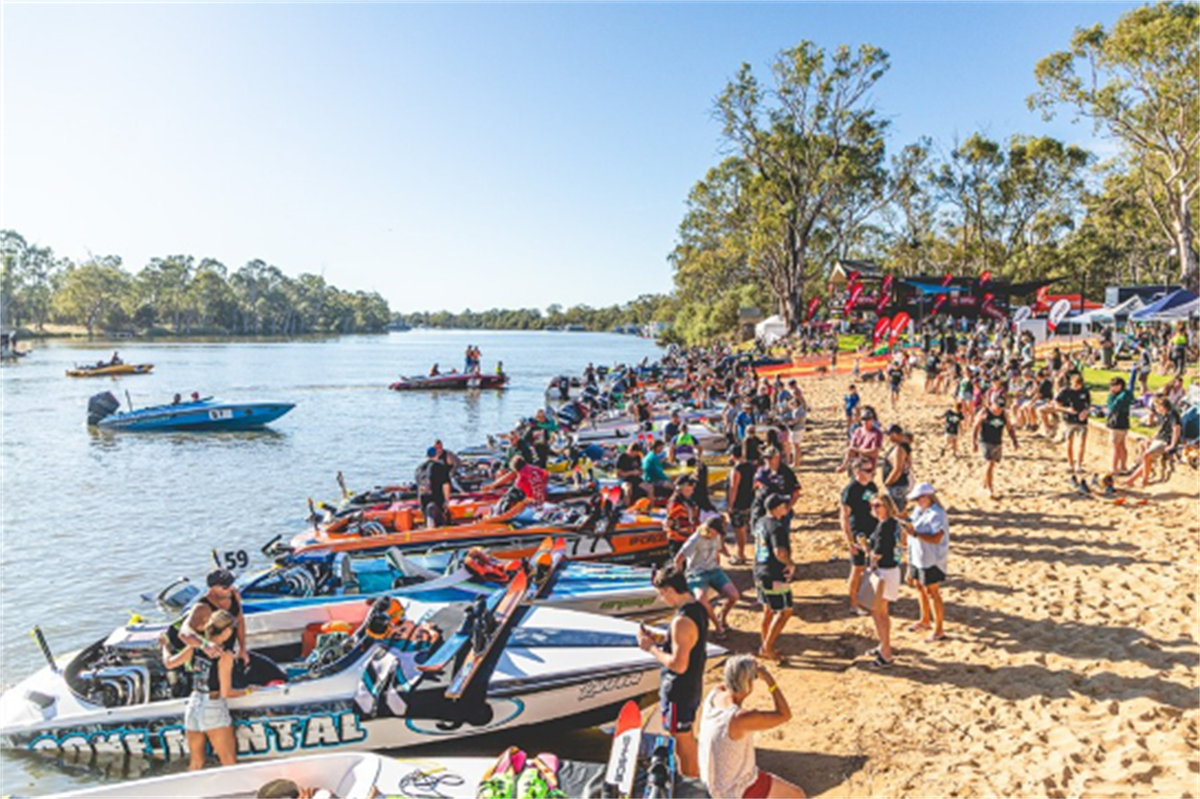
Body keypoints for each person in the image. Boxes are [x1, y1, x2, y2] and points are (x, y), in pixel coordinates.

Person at [697, 655, 806, 799]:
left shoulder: (714, 695)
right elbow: (784, 715)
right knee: (796, 795)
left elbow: (728, 686)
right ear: (748, 683)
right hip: (736, 789)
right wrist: (769, 680)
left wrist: (742, 665)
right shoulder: (741, 719)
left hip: (712, 783)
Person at [637, 565, 707, 779]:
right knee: (686, 738)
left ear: (669, 589)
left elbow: (678, 664)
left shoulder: (681, 622)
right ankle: (691, 777)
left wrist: (650, 648)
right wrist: (661, 639)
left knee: (682, 741)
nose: (661, 599)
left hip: (679, 690)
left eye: (661, 593)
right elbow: (688, 644)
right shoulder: (698, 607)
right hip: (691, 686)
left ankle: (690, 783)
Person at [183, 609, 246, 771]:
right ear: (226, 631)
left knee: (196, 763)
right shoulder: (225, 655)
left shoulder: (197, 647)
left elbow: (169, 663)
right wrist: (248, 691)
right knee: (229, 763)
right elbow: (226, 693)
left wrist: (165, 647)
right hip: (213, 706)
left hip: (193, 704)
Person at [675, 516, 739, 636]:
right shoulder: (695, 539)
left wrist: (730, 556)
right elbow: (678, 559)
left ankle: (722, 617)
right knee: (701, 599)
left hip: (714, 570)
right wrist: (679, 578)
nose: (717, 535)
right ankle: (718, 626)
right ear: (709, 529)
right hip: (696, 573)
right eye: (716, 532)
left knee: (734, 595)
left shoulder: (718, 536)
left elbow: (720, 550)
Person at [857, 493, 901, 668]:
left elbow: (878, 553)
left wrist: (866, 550)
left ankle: (886, 653)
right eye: (873, 505)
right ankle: (884, 645)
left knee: (879, 613)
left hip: (884, 572)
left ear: (887, 507)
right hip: (889, 571)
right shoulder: (888, 524)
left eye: (878, 505)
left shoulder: (885, 526)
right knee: (881, 612)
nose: (874, 509)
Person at [180, 569, 249, 677]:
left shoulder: (234, 594)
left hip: (228, 654)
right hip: (209, 659)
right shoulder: (202, 607)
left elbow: (240, 620)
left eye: (231, 584)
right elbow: (184, 633)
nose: (230, 588)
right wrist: (205, 645)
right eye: (225, 587)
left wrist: (242, 648)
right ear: (212, 589)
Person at [903, 482, 949, 642]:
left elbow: (937, 537)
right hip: (918, 557)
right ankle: (925, 620)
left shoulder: (937, 514)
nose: (916, 502)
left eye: (918, 498)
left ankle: (939, 629)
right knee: (919, 587)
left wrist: (916, 534)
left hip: (932, 560)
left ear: (928, 497)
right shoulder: (919, 511)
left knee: (932, 592)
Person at [753, 495, 794, 663]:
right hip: (774, 573)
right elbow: (779, 552)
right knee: (785, 611)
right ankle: (767, 648)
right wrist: (790, 564)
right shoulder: (777, 526)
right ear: (777, 507)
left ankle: (766, 643)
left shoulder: (760, 522)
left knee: (768, 610)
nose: (787, 506)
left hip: (760, 571)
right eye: (784, 504)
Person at [841, 459, 878, 617]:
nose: (872, 473)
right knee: (857, 568)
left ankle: (869, 600)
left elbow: (874, 505)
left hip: (872, 529)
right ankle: (853, 604)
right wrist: (850, 541)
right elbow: (844, 517)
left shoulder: (871, 486)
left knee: (873, 566)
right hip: (858, 532)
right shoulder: (850, 491)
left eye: (872, 470)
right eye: (868, 471)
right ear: (858, 472)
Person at [1124, 395, 1181, 487]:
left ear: (1162, 406)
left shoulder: (1172, 414)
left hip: (1166, 441)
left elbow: (1176, 429)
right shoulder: (1163, 415)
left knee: (1147, 456)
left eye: (1157, 407)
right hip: (1160, 439)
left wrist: (1172, 445)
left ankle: (1143, 480)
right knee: (1144, 451)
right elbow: (1160, 429)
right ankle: (1132, 479)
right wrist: (1151, 439)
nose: (1156, 409)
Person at [972, 395, 1019, 499]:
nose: (999, 408)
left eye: (1001, 406)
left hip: (997, 441)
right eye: (998, 406)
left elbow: (1009, 428)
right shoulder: (985, 412)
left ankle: (985, 484)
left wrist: (1014, 441)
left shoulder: (1004, 414)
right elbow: (976, 426)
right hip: (985, 441)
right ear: (993, 403)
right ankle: (990, 489)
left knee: (992, 465)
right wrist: (974, 442)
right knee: (990, 463)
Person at [1054, 371, 1092, 478]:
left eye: (1079, 386)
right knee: (1069, 443)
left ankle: (1079, 464)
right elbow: (1057, 404)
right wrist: (1066, 409)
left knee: (1082, 443)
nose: (1077, 387)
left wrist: (1085, 412)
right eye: (1075, 385)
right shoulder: (1065, 391)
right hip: (1069, 420)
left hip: (1081, 421)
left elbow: (1088, 405)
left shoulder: (1085, 391)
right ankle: (1070, 464)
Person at [727, 440, 759, 565]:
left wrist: (730, 504)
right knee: (750, 528)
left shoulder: (736, 470)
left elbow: (733, 488)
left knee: (739, 530)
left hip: (739, 502)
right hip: (750, 500)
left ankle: (741, 554)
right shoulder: (752, 467)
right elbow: (756, 484)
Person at [415, 446, 453, 528]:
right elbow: (446, 485)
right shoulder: (440, 467)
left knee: (428, 517)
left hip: (423, 501)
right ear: (437, 455)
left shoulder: (419, 469)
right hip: (436, 499)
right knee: (441, 519)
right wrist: (446, 501)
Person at [664, 475, 700, 558]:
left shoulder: (688, 501)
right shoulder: (675, 502)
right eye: (690, 485)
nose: (692, 489)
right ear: (682, 487)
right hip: (678, 539)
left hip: (688, 538)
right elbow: (670, 522)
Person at [880, 425, 913, 512]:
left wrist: (888, 482)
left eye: (889, 435)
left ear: (895, 434)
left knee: (897, 511)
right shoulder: (901, 446)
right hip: (898, 485)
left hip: (896, 485)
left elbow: (897, 469)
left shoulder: (899, 448)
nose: (888, 437)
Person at [1106, 376, 1134, 477]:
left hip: (1117, 422)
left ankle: (1114, 468)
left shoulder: (1121, 396)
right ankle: (1123, 466)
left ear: (1119, 386)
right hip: (1123, 422)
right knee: (1121, 445)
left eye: (1113, 386)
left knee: (1116, 446)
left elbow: (1112, 406)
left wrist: (1111, 395)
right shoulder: (1126, 394)